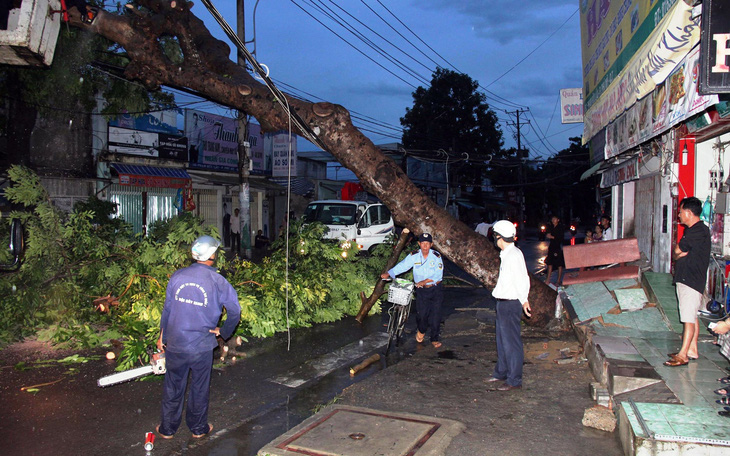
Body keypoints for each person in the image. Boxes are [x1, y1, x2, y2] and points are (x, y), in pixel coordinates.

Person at [156, 235, 241, 439]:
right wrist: (223, 331)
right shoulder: (218, 281)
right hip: (202, 345)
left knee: (173, 385)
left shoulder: (177, 276)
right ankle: (198, 428)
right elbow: (235, 311)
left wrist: (162, 337)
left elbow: (167, 310)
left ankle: (167, 429)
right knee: (199, 387)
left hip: (176, 343)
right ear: (212, 255)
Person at [664, 197, 710, 367]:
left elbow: (677, 250)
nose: (679, 215)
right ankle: (692, 349)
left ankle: (682, 355)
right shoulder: (694, 231)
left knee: (688, 319)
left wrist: (676, 255)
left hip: (690, 279)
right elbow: (679, 251)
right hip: (687, 278)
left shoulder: (698, 231)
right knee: (692, 316)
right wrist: (678, 254)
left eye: (681, 211)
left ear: (689, 213)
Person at [487, 220, 531, 391]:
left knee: (511, 343)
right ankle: (501, 372)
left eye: (495, 236)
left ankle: (514, 380)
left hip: (511, 304)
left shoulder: (513, 255)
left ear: (499, 237)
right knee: (502, 341)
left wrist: (524, 299)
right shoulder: (507, 254)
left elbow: (522, 279)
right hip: (503, 303)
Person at [380, 233, 444, 348]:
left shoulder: (436, 256)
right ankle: (421, 330)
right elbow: (403, 266)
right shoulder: (414, 256)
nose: (425, 246)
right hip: (422, 291)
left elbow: (438, 275)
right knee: (422, 316)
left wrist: (424, 281)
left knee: (436, 315)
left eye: (427, 244)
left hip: (435, 289)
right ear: (419, 244)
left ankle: (434, 338)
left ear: (431, 244)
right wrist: (389, 273)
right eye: (422, 243)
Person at [545, 215, 566, 286]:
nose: (553, 220)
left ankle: (558, 280)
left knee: (559, 264)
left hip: (557, 247)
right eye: (552, 219)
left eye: (555, 219)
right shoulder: (551, 227)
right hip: (551, 247)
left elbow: (560, 238)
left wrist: (552, 237)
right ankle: (547, 280)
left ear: (558, 220)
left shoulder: (560, 227)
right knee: (550, 263)